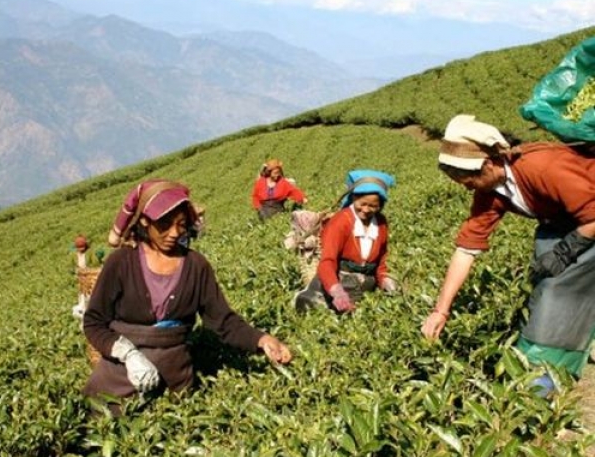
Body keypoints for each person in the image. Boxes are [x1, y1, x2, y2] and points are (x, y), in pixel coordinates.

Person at [83, 179, 292, 416]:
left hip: (174, 383)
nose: (174, 233)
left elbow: (222, 321)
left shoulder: (195, 266)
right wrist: (127, 354)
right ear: (144, 220)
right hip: (117, 380)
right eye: (164, 225)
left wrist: (262, 340)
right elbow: (93, 322)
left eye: (181, 225)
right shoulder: (120, 263)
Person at [421, 114, 595, 395]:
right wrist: (441, 310)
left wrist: (566, 251)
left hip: (587, 223)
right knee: (546, 287)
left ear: (488, 164)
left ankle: (544, 380)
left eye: (467, 179)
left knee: (555, 295)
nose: (466, 186)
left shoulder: (543, 168)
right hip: (565, 224)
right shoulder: (489, 191)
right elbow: (467, 248)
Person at [294, 170, 398, 313]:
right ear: (354, 198)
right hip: (338, 279)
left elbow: (381, 260)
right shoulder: (341, 221)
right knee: (314, 308)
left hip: (365, 284)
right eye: (363, 204)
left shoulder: (381, 222)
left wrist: (385, 280)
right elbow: (327, 262)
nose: (366, 210)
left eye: (373, 206)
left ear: (381, 205)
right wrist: (336, 291)